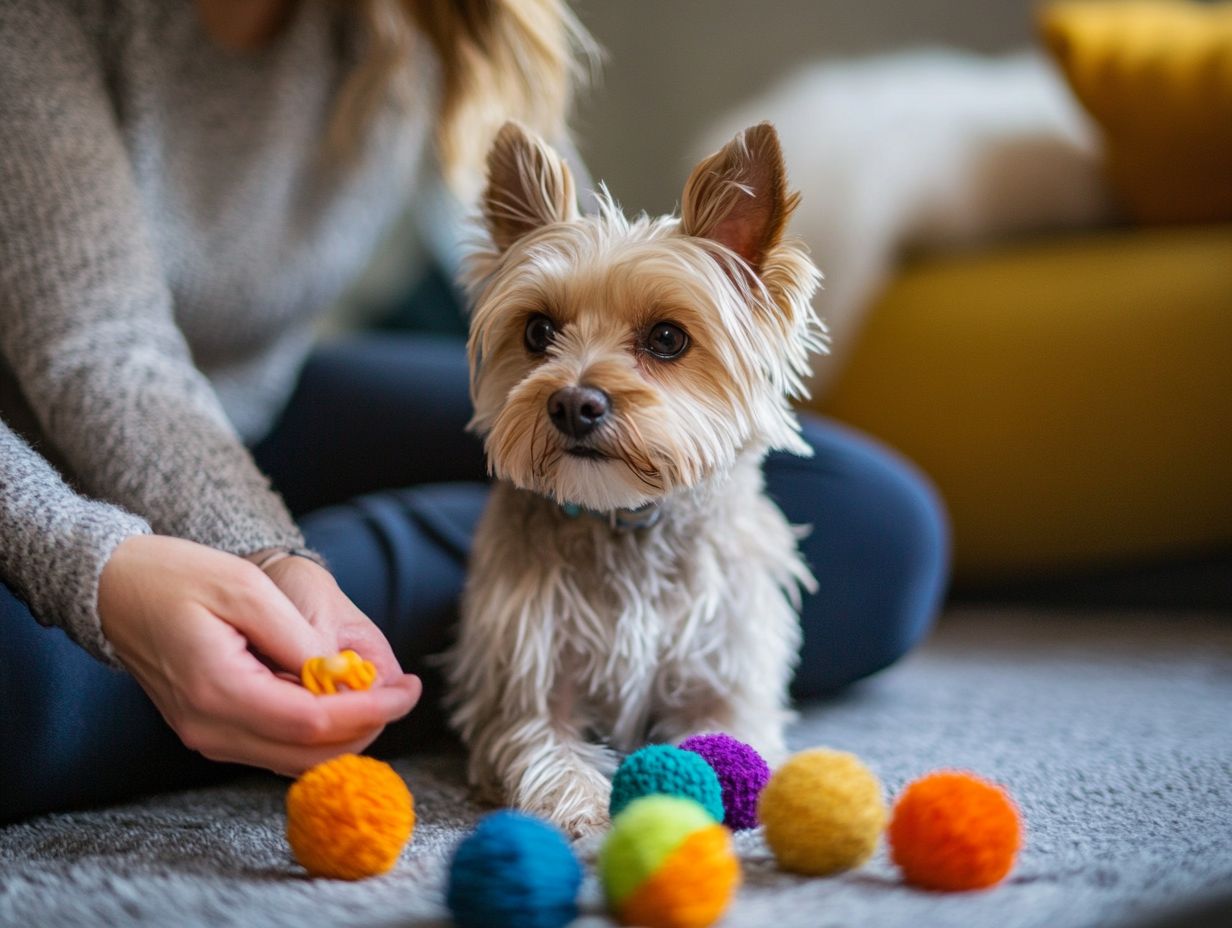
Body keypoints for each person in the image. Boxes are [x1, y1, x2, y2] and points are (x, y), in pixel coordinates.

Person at [0, 0, 949, 824]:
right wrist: (261, 559)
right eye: (547, 342)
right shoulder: (42, 23)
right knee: (26, 700)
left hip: (266, 395)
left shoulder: (421, 20)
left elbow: (571, 242)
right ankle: (441, 611)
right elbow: (100, 354)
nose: (581, 381)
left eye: (659, 344)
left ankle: (478, 603)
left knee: (881, 525)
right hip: (43, 446)